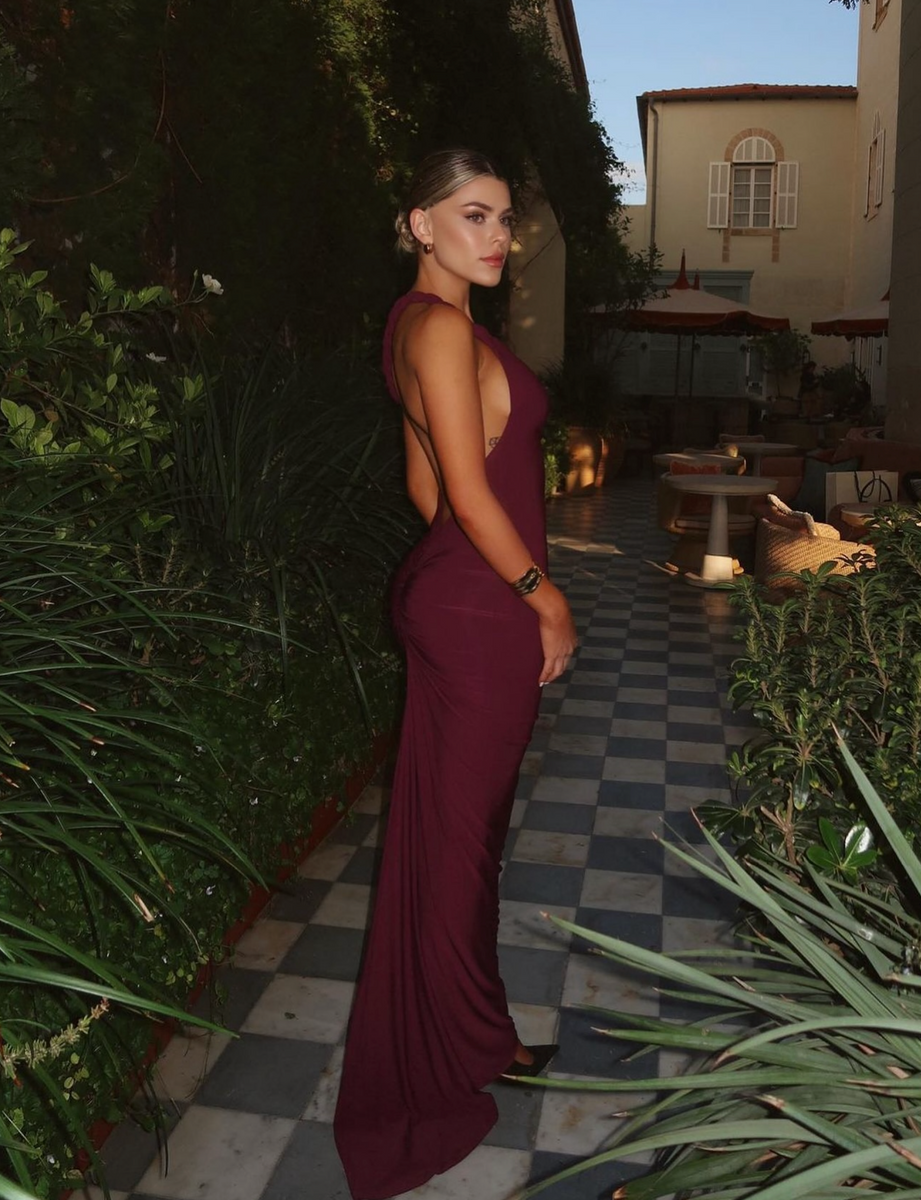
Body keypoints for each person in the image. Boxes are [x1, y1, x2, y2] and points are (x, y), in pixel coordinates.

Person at [333, 149, 577, 1200]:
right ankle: (451, 1056)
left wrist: (464, 575)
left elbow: (423, 484)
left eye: (505, 220)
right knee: (460, 850)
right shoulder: (438, 329)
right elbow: (467, 495)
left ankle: (477, 1034)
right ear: (420, 224)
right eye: (473, 215)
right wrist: (538, 595)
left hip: (459, 598)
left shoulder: (421, 328)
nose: (497, 236)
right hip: (482, 612)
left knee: (453, 841)